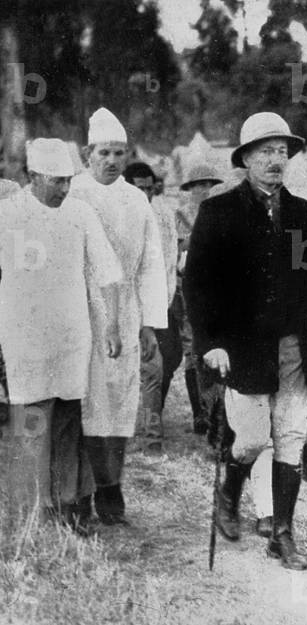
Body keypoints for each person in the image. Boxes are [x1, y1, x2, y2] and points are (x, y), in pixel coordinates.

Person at [184, 111, 307, 570]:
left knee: (292, 437)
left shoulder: (298, 212)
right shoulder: (219, 212)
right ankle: (229, 493)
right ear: (246, 159)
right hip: (244, 347)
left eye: (282, 152)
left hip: (297, 346)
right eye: (266, 152)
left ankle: (283, 535)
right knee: (253, 438)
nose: (276, 161)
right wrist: (210, 343)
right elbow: (198, 285)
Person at [0, 139, 122, 533]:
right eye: (56, 181)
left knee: (69, 422)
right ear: (32, 177)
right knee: (31, 424)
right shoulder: (8, 214)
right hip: (24, 336)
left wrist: (112, 324)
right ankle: (33, 512)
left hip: (72, 336)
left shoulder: (81, 213)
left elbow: (107, 271)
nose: (65, 189)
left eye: (69, 180)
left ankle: (69, 503)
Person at [69, 108, 169, 526]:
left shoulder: (135, 200)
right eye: (104, 153)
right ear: (87, 153)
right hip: (79, 310)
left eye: (119, 153)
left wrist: (148, 321)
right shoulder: (72, 193)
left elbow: (150, 263)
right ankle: (78, 492)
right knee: (81, 404)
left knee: (119, 404)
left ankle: (112, 489)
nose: (112, 161)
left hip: (124, 311)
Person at [124, 161, 179, 453]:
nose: (144, 194)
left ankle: (151, 430)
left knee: (160, 365)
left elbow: (169, 263)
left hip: (156, 305)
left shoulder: (163, 215)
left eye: (148, 188)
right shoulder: (116, 214)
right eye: (138, 188)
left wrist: (161, 307)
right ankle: (139, 432)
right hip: (122, 306)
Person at [176, 164, 224, 435]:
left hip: (220, 292)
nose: (204, 190)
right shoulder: (182, 215)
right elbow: (181, 253)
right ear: (189, 189)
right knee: (194, 352)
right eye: (198, 185)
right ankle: (199, 414)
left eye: (208, 184)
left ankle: (217, 413)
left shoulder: (222, 212)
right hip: (191, 291)